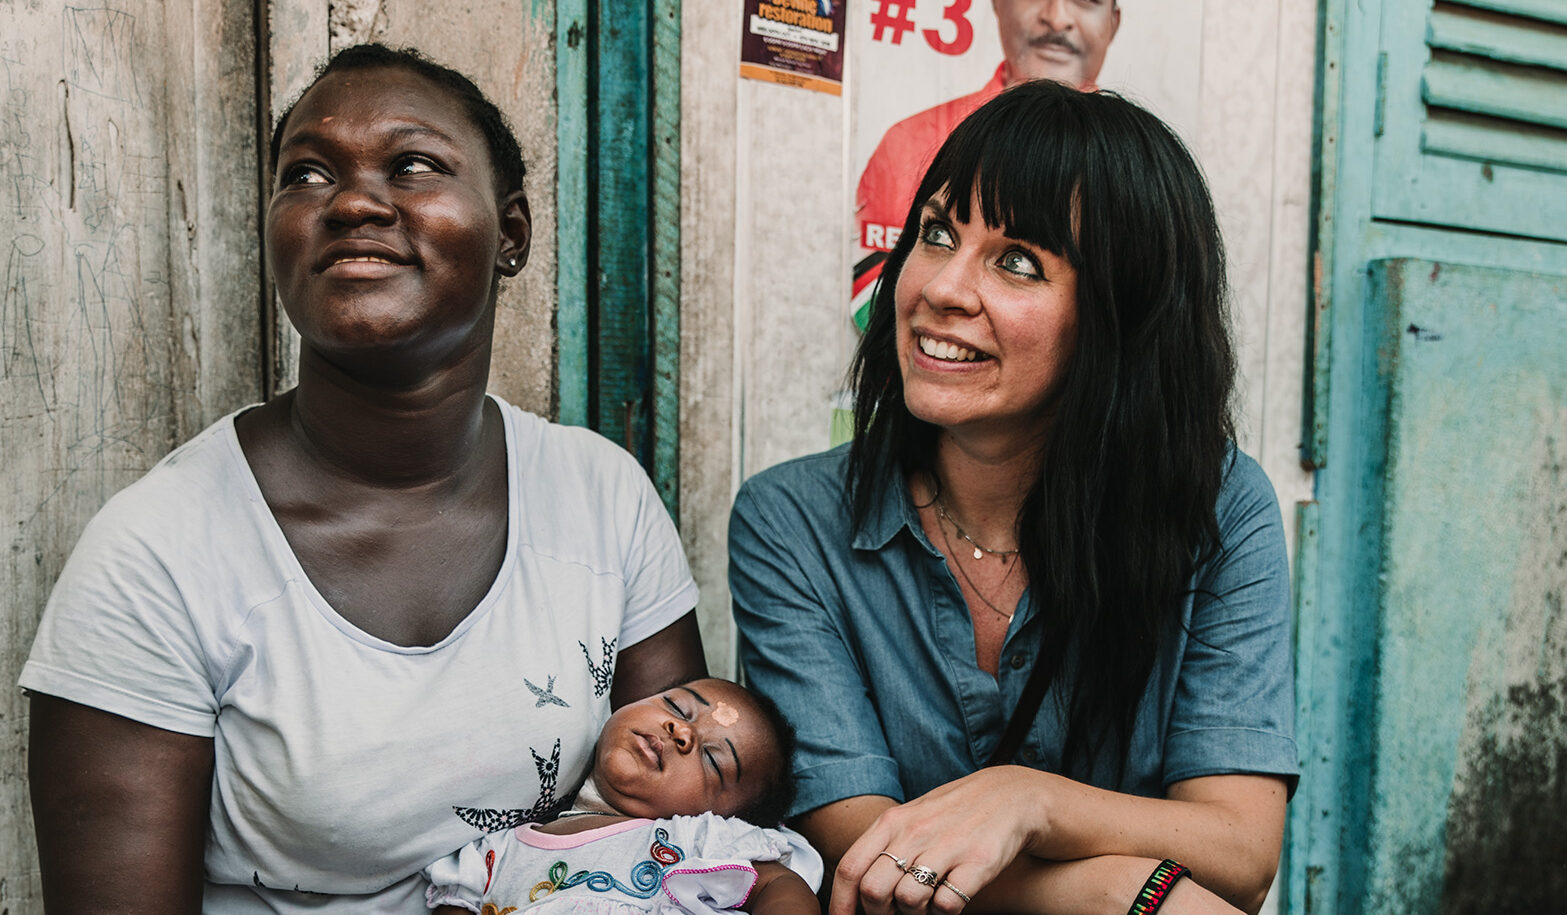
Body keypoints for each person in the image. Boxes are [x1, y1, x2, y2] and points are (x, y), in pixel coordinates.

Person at [22, 44, 707, 913]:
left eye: (413, 164)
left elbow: (682, 840)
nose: (349, 201)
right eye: (305, 174)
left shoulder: (602, 497)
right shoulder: (155, 555)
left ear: (512, 233)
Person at [732, 80, 1294, 915]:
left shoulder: (1217, 506)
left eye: (1018, 261)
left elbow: (1240, 848)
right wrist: (1117, 890)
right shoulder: (791, 522)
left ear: (1120, 314)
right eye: (935, 234)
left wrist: (1031, 802)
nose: (941, 289)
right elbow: (865, 841)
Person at [424, 677, 822, 914]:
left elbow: (779, 886)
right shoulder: (494, 854)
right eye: (676, 706)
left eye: (713, 761)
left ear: (727, 818)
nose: (681, 732)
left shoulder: (696, 841)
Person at [853, 0, 1121, 328]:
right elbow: (870, 298)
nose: (1056, 18)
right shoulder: (908, 142)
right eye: (938, 236)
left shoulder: (1138, 175)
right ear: (998, 5)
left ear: (1114, 22)